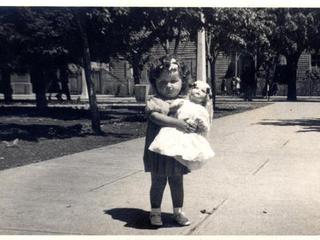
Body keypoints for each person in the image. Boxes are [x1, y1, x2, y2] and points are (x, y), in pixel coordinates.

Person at [143, 57, 195, 227]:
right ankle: (155, 211)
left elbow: (195, 117)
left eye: (174, 81)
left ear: (183, 81)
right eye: (163, 82)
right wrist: (178, 123)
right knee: (158, 181)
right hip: (159, 150)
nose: (169, 85)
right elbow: (156, 117)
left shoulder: (184, 102)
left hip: (177, 151)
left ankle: (178, 211)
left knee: (177, 181)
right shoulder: (154, 101)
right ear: (155, 82)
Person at [149, 80, 215, 171]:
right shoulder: (183, 102)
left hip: (188, 132)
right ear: (190, 90)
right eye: (196, 88)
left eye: (203, 91)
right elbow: (170, 109)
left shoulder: (202, 110)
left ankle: (182, 161)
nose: (198, 91)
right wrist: (174, 107)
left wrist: (199, 123)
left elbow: (205, 126)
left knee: (186, 149)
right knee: (169, 145)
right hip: (176, 129)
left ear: (205, 97)